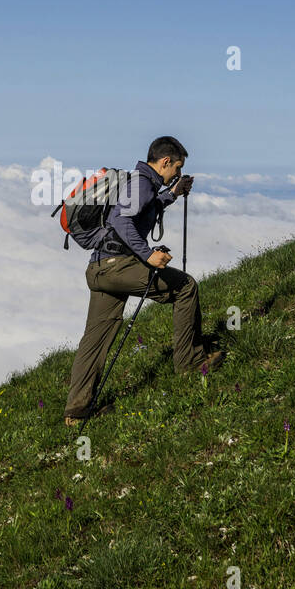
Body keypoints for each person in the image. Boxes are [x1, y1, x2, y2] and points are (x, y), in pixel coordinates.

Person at [64, 136, 225, 426]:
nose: (176, 173)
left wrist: (173, 193)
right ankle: (190, 362)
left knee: (96, 338)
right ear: (165, 162)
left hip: (100, 268)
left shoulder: (141, 183)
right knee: (185, 287)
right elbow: (122, 221)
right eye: (176, 168)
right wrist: (149, 255)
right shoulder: (140, 184)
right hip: (118, 266)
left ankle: (76, 412)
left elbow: (142, 208)